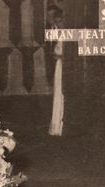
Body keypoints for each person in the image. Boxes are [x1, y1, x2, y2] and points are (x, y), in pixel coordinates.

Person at [48, 7, 64, 137]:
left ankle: (58, 124)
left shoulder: (63, 35)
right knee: (58, 92)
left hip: (62, 65)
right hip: (59, 65)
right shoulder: (59, 34)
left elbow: (59, 52)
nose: (56, 23)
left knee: (60, 92)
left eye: (59, 21)